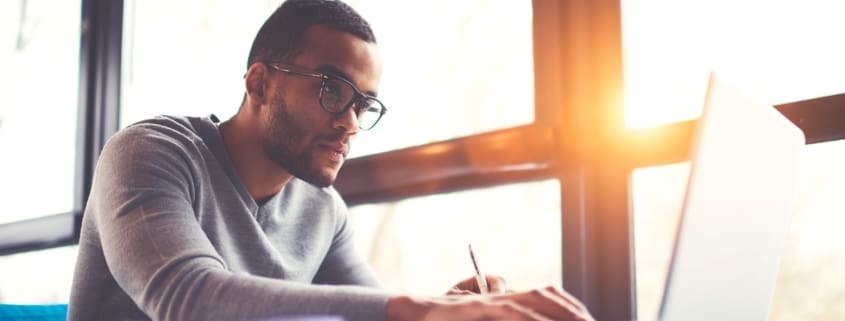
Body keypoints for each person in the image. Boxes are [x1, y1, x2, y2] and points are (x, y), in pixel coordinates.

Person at [67, 1, 595, 321]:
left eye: (364, 104)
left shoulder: (323, 210)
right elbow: (187, 301)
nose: (350, 122)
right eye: (332, 90)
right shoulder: (150, 153)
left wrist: (451, 306)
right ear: (259, 83)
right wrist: (418, 311)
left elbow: (373, 311)